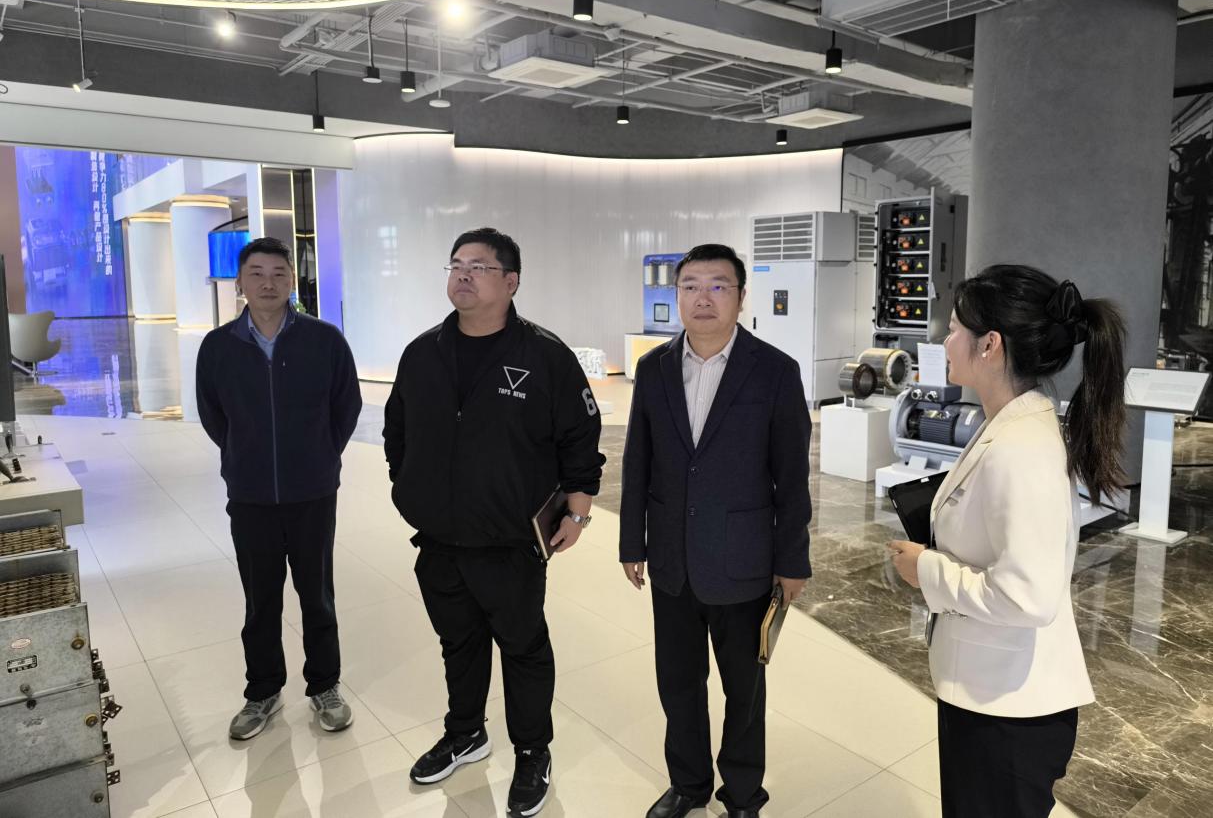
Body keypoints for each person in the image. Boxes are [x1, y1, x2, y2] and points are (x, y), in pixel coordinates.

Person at [888, 265, 1125, 817]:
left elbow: (1027, 597)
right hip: (992, 694)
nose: (944, 340)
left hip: (1009, 712)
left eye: (953, 329)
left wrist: (926, 570)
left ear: (989, 345)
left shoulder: (1023, 449)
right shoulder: (1008, 427)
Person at [384, 227, 605, 818]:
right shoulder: (422, 352)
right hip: (439, 538)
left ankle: (532, 751)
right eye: (456, 264)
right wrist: (408, 489)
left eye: (478, 266)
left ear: (511, 282)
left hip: (510, 540)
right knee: (457, 641)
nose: (463, 274)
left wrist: (578, 510)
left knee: (523, 647)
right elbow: (396, 429)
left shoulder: (544, 356)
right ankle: (465, 733)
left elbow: (580, 437)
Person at [620, 243, 812, 818]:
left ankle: (744, 794)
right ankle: (688, 784)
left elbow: (791, 478)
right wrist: (632, 542)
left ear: (741, 296)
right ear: (676, 295)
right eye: (690, 286)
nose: (703, 298)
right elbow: (638, 460)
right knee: (678, 683)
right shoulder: (653, 367)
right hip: (672, 559)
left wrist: (792, 561)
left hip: (744, 560)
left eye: (718, 286)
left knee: (743, 690)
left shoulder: (775, 371)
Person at [196, 236, 363, 740]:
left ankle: (325, 687)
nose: (268, 283)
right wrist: (243, 455)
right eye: (257, 273)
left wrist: (320, 454)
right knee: (260, 599)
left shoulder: (324, 340)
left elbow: (347, 405)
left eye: (278, 274)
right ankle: (263, 691)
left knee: (318, 595)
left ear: (292, 280)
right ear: (240, 282)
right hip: (249, 495)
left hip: (313, 492)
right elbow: (213, 415)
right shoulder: (218, 347)